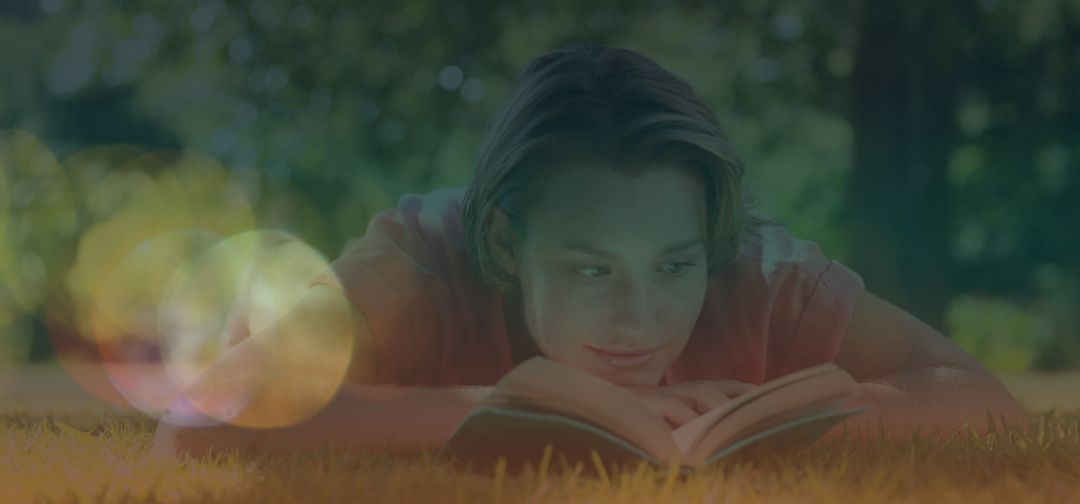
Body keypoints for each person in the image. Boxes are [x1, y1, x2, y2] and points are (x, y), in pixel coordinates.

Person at [151, 44, 1029, 460]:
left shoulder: (757, 275)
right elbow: (199, 427)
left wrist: (786, 424)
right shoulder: (420, 265)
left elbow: (985, 405)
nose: (638, 318)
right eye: (590, 269)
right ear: (506, 243)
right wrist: (518, 413)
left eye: (675, 266)